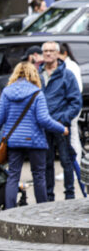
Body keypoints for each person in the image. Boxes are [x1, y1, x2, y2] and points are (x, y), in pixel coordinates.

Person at [0, 62, 69, 209]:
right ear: (34, 74)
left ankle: (10, 211)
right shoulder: (37, 93)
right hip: (35, 141)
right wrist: (61, 128)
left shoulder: (7, 92)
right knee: (39, 175)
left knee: (13, 176)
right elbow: (44, 119)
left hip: (13, 141)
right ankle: (41, 210)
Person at [39, 41, 82, 201]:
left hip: (61, 125)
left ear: (58, 53)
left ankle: (69, 196)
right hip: (44, 126)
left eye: (51, 51)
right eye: (45, 51)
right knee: (47, 163)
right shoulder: (38, 74)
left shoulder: (67, 74)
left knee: (66, 161)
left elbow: (76, 102)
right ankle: (49, 197)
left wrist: (63, 119)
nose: (48, 54)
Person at [60, 43, 84, 163]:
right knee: (71, 136)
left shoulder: (70, 67)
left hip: (71, 106)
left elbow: (77, 89)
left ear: (64, 53)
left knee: (72, 136)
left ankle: (75, 165)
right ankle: (73, 165)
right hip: (69, 105)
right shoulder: (69, 65)